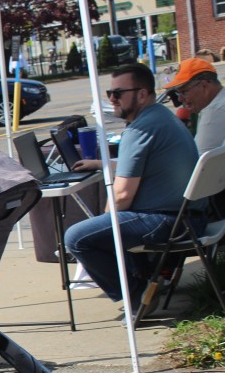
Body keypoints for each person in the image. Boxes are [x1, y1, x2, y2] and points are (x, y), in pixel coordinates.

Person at [64, 63, 201, 320]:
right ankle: (146, 281)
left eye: (119, 93)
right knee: (110, 226)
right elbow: (148, 164)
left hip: (172, 223)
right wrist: (102, 164)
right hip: (190, 218)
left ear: (142, 94)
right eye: (110, 93)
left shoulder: (139, 130)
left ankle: (138, 295)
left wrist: (103, 224)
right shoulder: (161, 117)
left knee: (77, 238)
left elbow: (122, 196)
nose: (112, 99)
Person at [166, 57, 225, 155]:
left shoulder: (214, 111)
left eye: (184, 92)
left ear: (204, 86)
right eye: (178, 93)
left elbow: (199, 161)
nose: (180, 99)